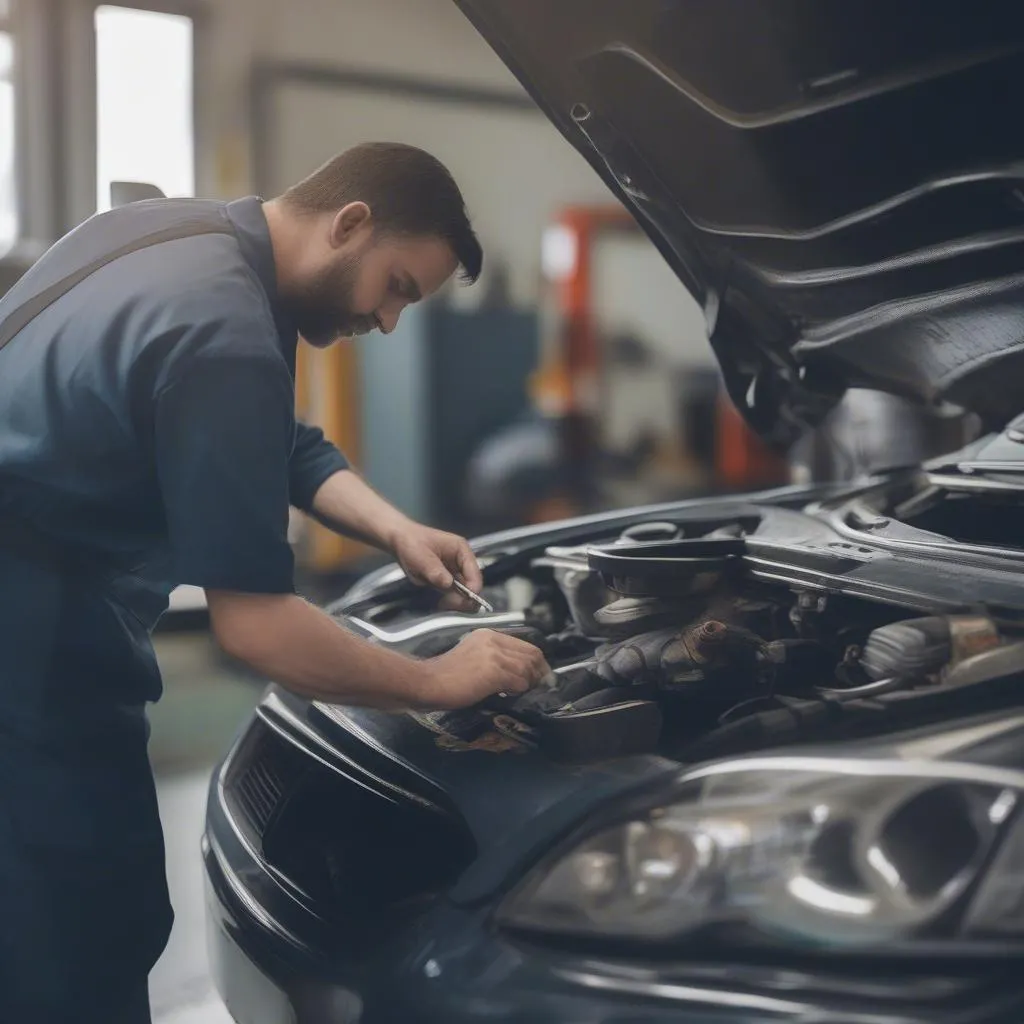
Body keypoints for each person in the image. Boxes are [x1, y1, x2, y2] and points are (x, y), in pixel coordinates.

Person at [0, 142, 550, 1022]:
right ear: (351, 224)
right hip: (25, 651)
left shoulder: (165, 232)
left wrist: (397, 529)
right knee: (72, 937)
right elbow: (258, 629)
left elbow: (276, 441)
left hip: (39, 608)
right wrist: (439, 681)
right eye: (399, 287)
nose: (391, 321)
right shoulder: (224, 330)